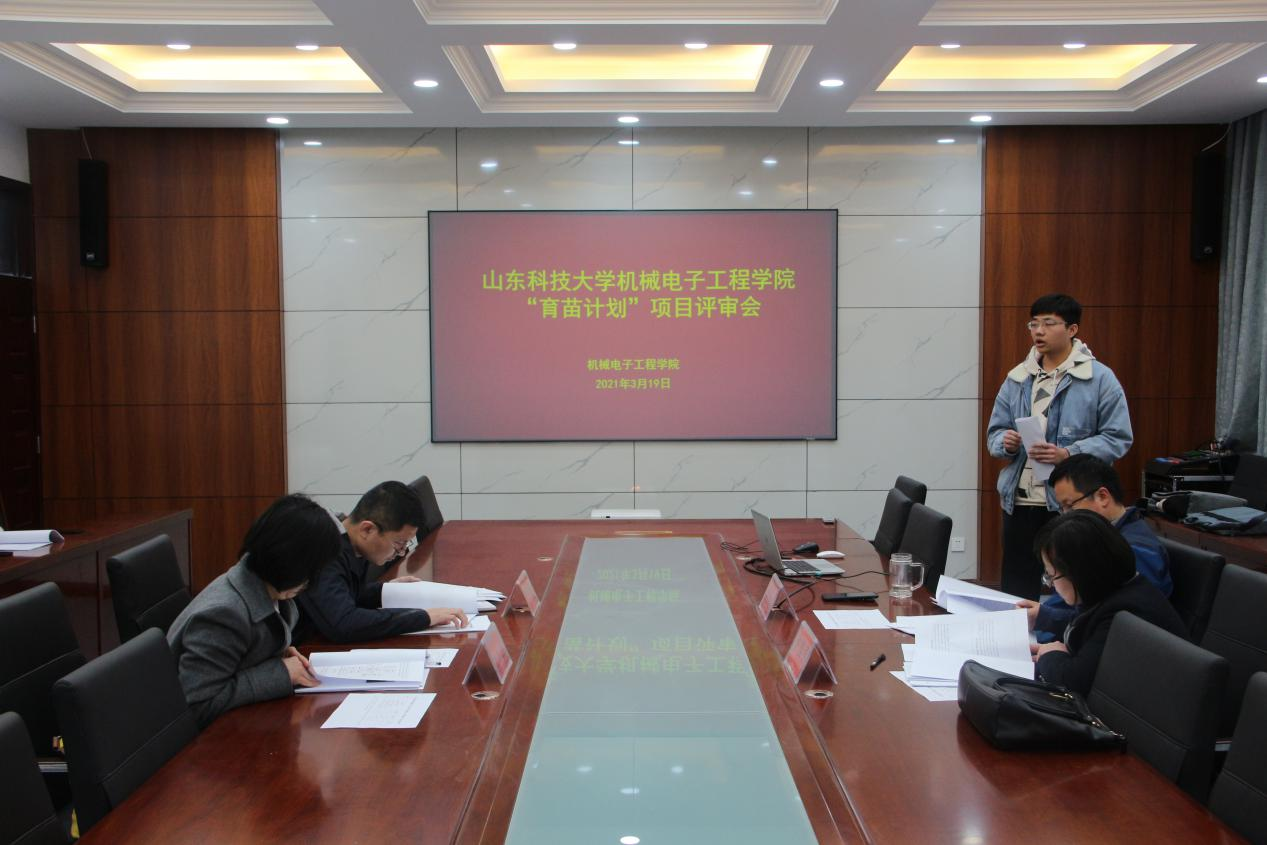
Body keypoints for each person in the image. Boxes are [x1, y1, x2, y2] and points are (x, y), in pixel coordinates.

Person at [986, 293, 1133, 599]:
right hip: (1020, 500)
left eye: (1049, 323)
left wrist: (1068, 454)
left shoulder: (1098, 378)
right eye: (1033, 324)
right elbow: (994, 435)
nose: (1038, 331)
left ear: (1072, 329)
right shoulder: (1018, 378)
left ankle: (1067, 630)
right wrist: (1006, 443)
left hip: (1070, 502)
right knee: (1016, 584)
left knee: (1071, 581)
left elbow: (1118, 438)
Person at [167, 494, 341, 728]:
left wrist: (276, 651)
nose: (312, 581)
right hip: (204, 740)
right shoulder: (223, 615)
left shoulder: (264, 584)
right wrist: (279, 673)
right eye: (312, 571)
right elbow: (198, 706)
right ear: (290, 563)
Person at [1031, 510, 1187, 695]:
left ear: (1079, 574)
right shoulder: (1114, 590)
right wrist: (1045, 617)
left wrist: (1051, 657)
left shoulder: (1125, 614)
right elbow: (1089, 628)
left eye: (1051, 575)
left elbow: (1075, 682)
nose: (1050, 584)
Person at [1020, 453, 1172, 640]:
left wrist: (1047, 618)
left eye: (1070, 506)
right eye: (1062, 509)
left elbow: (1114, 623)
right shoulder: (1099, 538)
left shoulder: (1136, 551)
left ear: (1102, 497)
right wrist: (1043, 614)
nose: (1065, 516)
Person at [294, 480, 468, 643]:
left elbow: (347, 594)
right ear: (367, 529)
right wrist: (424, 617)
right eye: (399, 543)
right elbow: (344, 623)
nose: (401, 553)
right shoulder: (324, 550)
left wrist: (385, 591)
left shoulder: (351, 543)